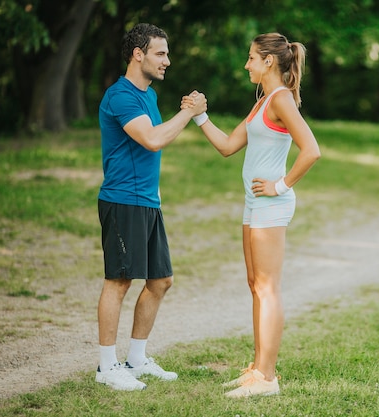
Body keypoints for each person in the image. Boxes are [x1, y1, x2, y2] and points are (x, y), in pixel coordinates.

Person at [186, 32, 321, 398]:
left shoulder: (281, 101)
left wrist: (281, 185)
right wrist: (200, 118)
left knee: (268, 288)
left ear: (268, 62)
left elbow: (311, 150)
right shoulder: (262, 102)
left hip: (270, 204)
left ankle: (267, 378)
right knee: (255, 285)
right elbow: (229, 146)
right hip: (254, 203)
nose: (246, 64)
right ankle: (257, 369)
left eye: (250, 58)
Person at [95, 23, 207, 391]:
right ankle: (107, 367)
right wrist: (189, 113)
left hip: (147, 202)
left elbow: (155, 142)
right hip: (122, 201)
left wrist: (183, 115)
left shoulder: (149, 96)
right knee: (120, 280)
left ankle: (137, 359)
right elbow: (153, 139)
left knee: (160, 280)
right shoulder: (121, 96)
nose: (168, 61)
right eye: (161, 53)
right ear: (137, 54)